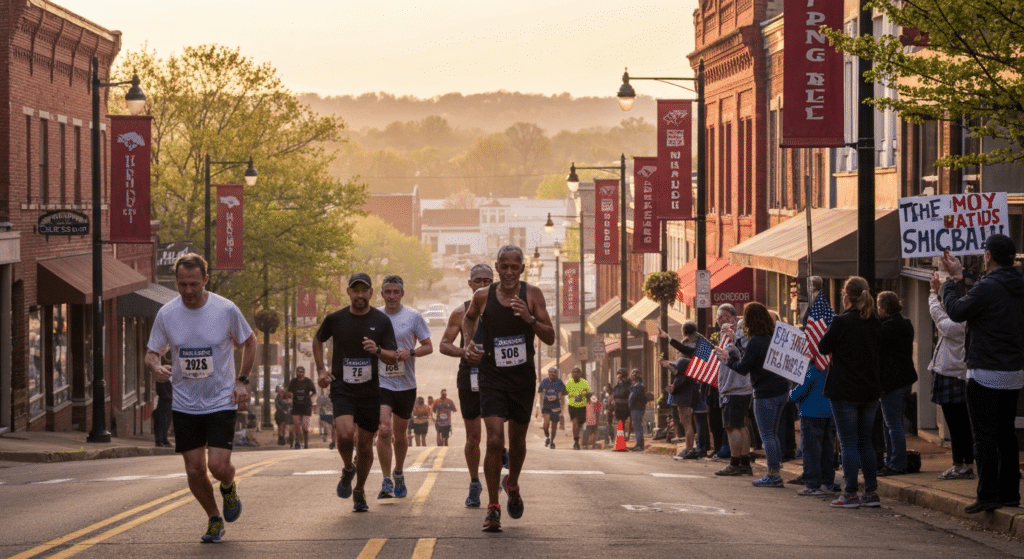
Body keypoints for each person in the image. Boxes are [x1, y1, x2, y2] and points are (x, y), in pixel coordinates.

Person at [144, 253, 256, 543]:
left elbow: (250, 341)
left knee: (217, 467)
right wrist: (156, 366)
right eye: (182, 284)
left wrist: (242, 381)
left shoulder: (225, 310)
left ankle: (229, 485)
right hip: (184, 403)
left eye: (194, 284)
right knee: (194, 470)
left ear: (205, 280)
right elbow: (151, 352)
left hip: (220, 400)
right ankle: (214, 518)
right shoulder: (167, 314)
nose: (188, 291)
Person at [462, 245, 554, 532]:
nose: (510, 272)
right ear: (497, 268)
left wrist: (529, 318)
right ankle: (492, 507)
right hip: (492, 377)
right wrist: (469, 345)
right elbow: (468, 319)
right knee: (493, 441)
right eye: (505, 266)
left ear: (522, 269)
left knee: (518, 443)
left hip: (522, 380)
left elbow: (550, 336)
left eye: (516, 267)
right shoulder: (482, 297)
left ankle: (512, 483)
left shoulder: (533, 295)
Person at [941, 234, 1024, 514]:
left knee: (985, 436)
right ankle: (1010, 492)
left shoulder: (988, 287)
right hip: (1013, 372)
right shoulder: (1018, 285)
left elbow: (956, 311)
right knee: (1006, 435)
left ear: (988, 255)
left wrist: (952, 283)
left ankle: (988, 493)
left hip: (985, 372)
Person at [314, 272, 398, 513]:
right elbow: (318, 340)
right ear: (348, 292)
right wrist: (321, 369)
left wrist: (378, 350)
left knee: (364, 446)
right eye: (355, 290)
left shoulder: (381, 321)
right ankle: (347, 468)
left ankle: (359, 489)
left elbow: (393, 358)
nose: (360, 295)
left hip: (371, 391)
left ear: (371, 293)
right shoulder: (335, 318)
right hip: (343, 387)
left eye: (364, 291)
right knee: (345, 433)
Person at [818, 276, 882, 509]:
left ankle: (851, 492)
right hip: (870, 390)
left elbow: (823, 347)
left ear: (846, 296)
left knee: (848, 443)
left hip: (844, 389)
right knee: (866, 441)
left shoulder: (841, 321)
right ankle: (872, 492)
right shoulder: (875, 322)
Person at [715, 302, 790, 488]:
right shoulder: (772, 338)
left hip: (765, 393)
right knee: (773, 434)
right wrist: (736, 340)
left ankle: (773, 475)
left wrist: (727, 359)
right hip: (781, 390)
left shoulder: (756, 341)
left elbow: (743, 367)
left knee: (768, 435)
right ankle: (775, 470)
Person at [439, 263, 495, 507]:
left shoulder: (502, 310)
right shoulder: (460, 313)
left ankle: (501, 467)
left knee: (496, 434)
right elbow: (443, 344)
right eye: (478, 280)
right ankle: (474, 482)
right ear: (470, 284)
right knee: (474, 437)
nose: (482, 284)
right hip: (470, 375)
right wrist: (464, 352)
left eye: (487, 280)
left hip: (496, 376)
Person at [376, 274, 433, 499]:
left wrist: (410, 352)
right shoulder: (374, 316)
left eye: (395, 292)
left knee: (400, 435)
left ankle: (398, 472)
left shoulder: (413, 317)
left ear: (402, 294)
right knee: (384, 429)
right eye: (387, 292)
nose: (391, 296)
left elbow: (428, 346)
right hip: (381, 382)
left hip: (406, 384)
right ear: (381, 294)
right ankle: (386, 479)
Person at [927, 271, 974, 481]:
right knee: (963, 424)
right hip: (961, 376)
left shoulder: (957, 325)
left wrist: (933, 292)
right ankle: (966, 464)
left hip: (951, 375)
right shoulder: (970, 321)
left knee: (956, 425)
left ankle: (959, 466)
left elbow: (938, 314)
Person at [875, 291, 917, 476]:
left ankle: (897, 462)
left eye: (879, 307)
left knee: (892, 423)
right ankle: (892, 459)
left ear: (883, 308)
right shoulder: (905, 324)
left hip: (891, 382)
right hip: (905, 379)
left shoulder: (887, 328)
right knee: (894, 422)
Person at [713, 304, 754, 476]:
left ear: (731, 317)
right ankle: (744, 462)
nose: (719, 320)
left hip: (735, 388)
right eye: (718, 317)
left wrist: (734, 339)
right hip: (737, 388)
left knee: (732, 427)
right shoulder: (727, 336)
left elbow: (745, 357)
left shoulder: (740, 335)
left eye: (722, 317)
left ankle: (734, 463)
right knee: (740, 425)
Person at [537, 366, 566, 449]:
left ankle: (552, 442)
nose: (553, 374)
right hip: (546, 406)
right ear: (548, 373)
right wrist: (540, 404)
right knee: (546, 424)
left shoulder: (559, 382)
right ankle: (547, 436)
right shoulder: (544, 381)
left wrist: (560, 396)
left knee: (554, 425)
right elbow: (540, 391)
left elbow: (563, 393)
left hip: (556, 406)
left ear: (557, 374)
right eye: (551, 373)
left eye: (555, 373)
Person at [288, 366, 317, 449]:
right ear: (296, 372)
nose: (300, 374)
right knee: (296, 426)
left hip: (306, 406)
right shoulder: (293, 381)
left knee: (305, 426)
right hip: (296, 405)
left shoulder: (308, 381)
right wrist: (291, 396)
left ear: (304, 373)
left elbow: (314, 391)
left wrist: (309, 397)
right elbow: (289, 391)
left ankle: (306, 443)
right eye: (299, 372)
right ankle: (297, 442)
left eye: (302, 372)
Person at [564, 366, 591, 450]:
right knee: (575, 423)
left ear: (580, 374)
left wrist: (583, 396)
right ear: (571, 374)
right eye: (573, 373)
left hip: (582, 406)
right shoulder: (569, 383)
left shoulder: (585, 382)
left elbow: (589, 393)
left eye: (577, 373)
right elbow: (564, 392)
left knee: (581, 423)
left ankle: (581, 438)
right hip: (572, 406)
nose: (575, 374)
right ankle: (576, 441)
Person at [627, 369, 647, 451]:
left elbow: (633, 397)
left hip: (637, 409)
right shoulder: (635, 386)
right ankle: (639, 444)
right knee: (637, 427)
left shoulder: (639, 386)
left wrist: (631, 404)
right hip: (636, 408)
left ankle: (639, 445)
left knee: (638, 427)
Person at [612, 368, 632, 442]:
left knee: (625, 422)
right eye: (618, 374)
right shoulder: (617, 383)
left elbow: (627, 393)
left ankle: (625, 436)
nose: (618, 375)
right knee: (619, 423)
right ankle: (620, 438)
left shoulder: (628, 383)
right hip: (618, 406)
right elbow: (614, 392)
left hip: (625, 406)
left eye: (619, 374)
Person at [154, 378, 173, 447]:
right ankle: (159, 440)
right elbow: (160, 389)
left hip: (170, 401)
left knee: (167, 421)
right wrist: (168, 396)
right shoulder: (161, 378)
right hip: (164, 401)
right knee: (161, 421)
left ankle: (164, 439)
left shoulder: (172, 377)